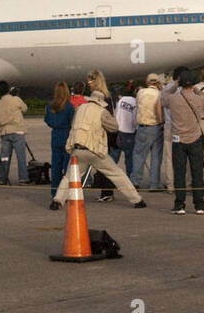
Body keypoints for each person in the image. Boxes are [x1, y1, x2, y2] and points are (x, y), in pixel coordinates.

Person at [50, 71, 146, 210]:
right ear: (100, 102)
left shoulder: (81, 108)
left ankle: (57, 201)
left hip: (78, 148)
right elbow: (114, 127)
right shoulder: (102, 111)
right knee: (116, 174)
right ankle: (137, 200)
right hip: (94, 150)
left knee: (69, 177)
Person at [164, 68, 204, 214]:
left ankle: (180, 204)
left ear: (180, 82)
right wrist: (196, 89)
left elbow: (163, 96)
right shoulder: (198, 99)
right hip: (195, 138)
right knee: (197, 173)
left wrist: (175, 85)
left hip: (178, 139)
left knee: (179, 173)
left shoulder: (173, 99)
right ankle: (199, 205)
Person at [131, 73, 164, 189]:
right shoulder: (160, 94)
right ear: (157, 83)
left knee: (139, 155)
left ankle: (135, 181)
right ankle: (154, 184)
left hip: (143, 127)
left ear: (147, 82)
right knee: (156, 156)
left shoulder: (141, 92)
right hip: (156, 127)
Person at [0, 83, 30, 185]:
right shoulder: (16, 100)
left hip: (5, 131)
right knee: (21, 157)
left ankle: (1, 178)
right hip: (17, 130)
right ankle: (23, 178)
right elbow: (25, 109)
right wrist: (16, 96)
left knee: (4, 157)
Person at [44, 83, 74, 204]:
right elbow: (73, 122)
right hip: (66, 135)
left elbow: (47, 120)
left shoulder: (50, 106)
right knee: (67, 166)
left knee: (56, 165)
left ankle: (55, 191)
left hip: (55, 135)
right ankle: (65, 192)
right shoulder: (69, 107)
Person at [115, 83, 138, 176]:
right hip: (130, 133)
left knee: (114, 158)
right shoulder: (135, 102)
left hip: (118, 131)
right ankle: (130, 178)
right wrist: (135, 129)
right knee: (129, 159)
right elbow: (135, 118)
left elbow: (116, 114)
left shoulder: (120, 101)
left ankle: (110, 179)